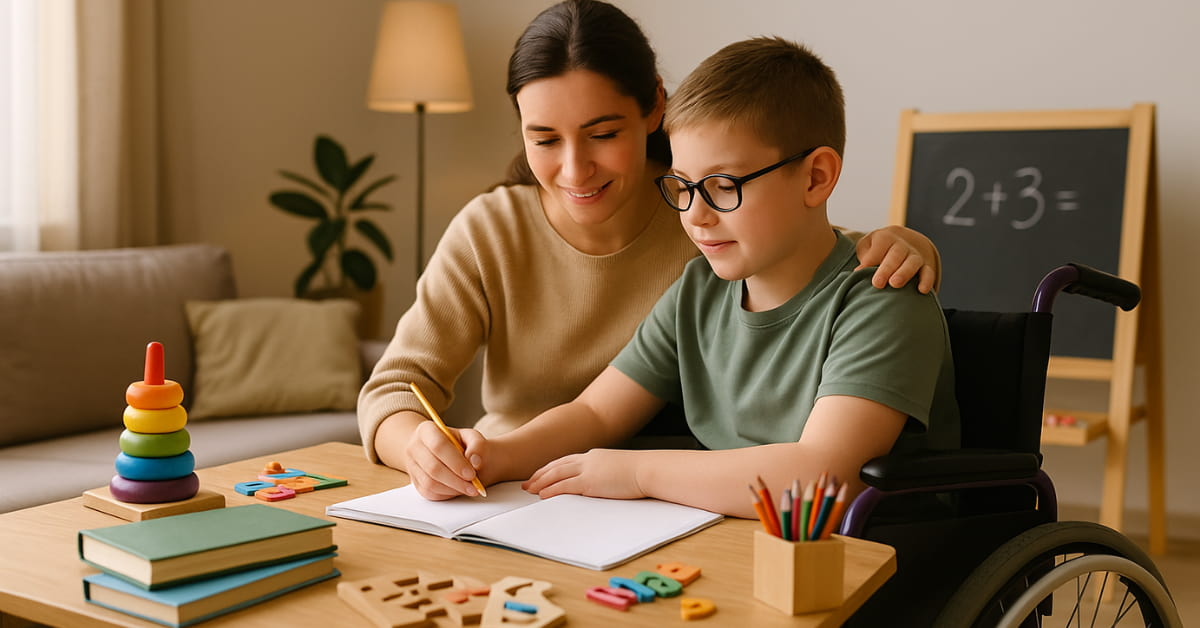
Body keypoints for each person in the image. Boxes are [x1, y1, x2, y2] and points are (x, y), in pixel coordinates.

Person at [358, 0, 944, 487]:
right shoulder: (701, 282)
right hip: (616, 504)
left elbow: (814, 251)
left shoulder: (854, 289)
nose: (697, 215)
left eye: (721, 187)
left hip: (745, 528)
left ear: (652, 111)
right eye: (685, 189)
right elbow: (592, 412)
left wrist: (636, 474)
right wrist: (485, 454)